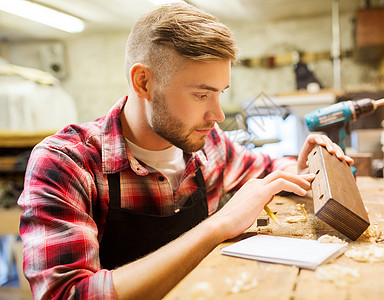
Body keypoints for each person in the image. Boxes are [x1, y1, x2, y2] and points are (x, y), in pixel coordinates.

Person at [18, 3, 353, 299]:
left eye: (220, 92)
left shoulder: (210, 145)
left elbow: (268, 169)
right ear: (143, 83)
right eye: (201, 95)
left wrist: (301, 163)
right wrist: (217, 226)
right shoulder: (66, 163)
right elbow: (68, 295)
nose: (218, 115)